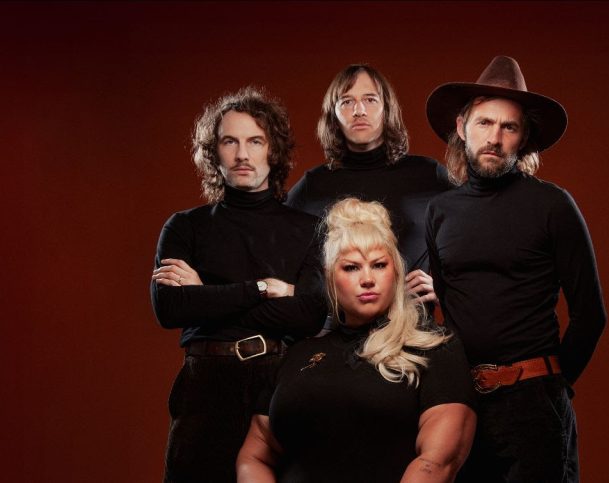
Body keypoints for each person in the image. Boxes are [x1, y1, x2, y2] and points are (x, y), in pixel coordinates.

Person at [424, 56, 607, 482]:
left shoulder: (552, 205)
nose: (494, 138)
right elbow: (448, 306)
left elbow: (591, 314)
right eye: (485, 123)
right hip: (462, 402)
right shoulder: (440, 211)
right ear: (462, 127)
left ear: (523, 138)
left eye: (509, 127)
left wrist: (551, 385)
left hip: (533, 402)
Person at [150, 86, 327, 483]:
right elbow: (171, 309)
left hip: (280, 380)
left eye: (255, 141)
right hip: (206, 383)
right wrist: (262, 288)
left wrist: (206, 295)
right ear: (214, 152)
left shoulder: (308, 229)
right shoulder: (185, 226)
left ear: (273, 150)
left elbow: (310, 314)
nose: (242, 154)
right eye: (230, 141)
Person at [237, 198, 476, 483]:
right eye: (351, 267)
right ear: (330, 278)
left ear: (396, 272)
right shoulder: (299, 352)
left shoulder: (434, 347)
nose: (367, 279)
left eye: (379, 265)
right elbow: (254, 456)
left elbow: (437, 462)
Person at [286, 63, 453, 306]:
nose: (359, 110)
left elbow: (475, 238)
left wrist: (447, 289)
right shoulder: (314, 184)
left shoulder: (428, 175)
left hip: (413, 322)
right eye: (347, 101)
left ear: (387, 109)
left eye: (370, 100)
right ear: (333, 114)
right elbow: (278, 253)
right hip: (338, 326)